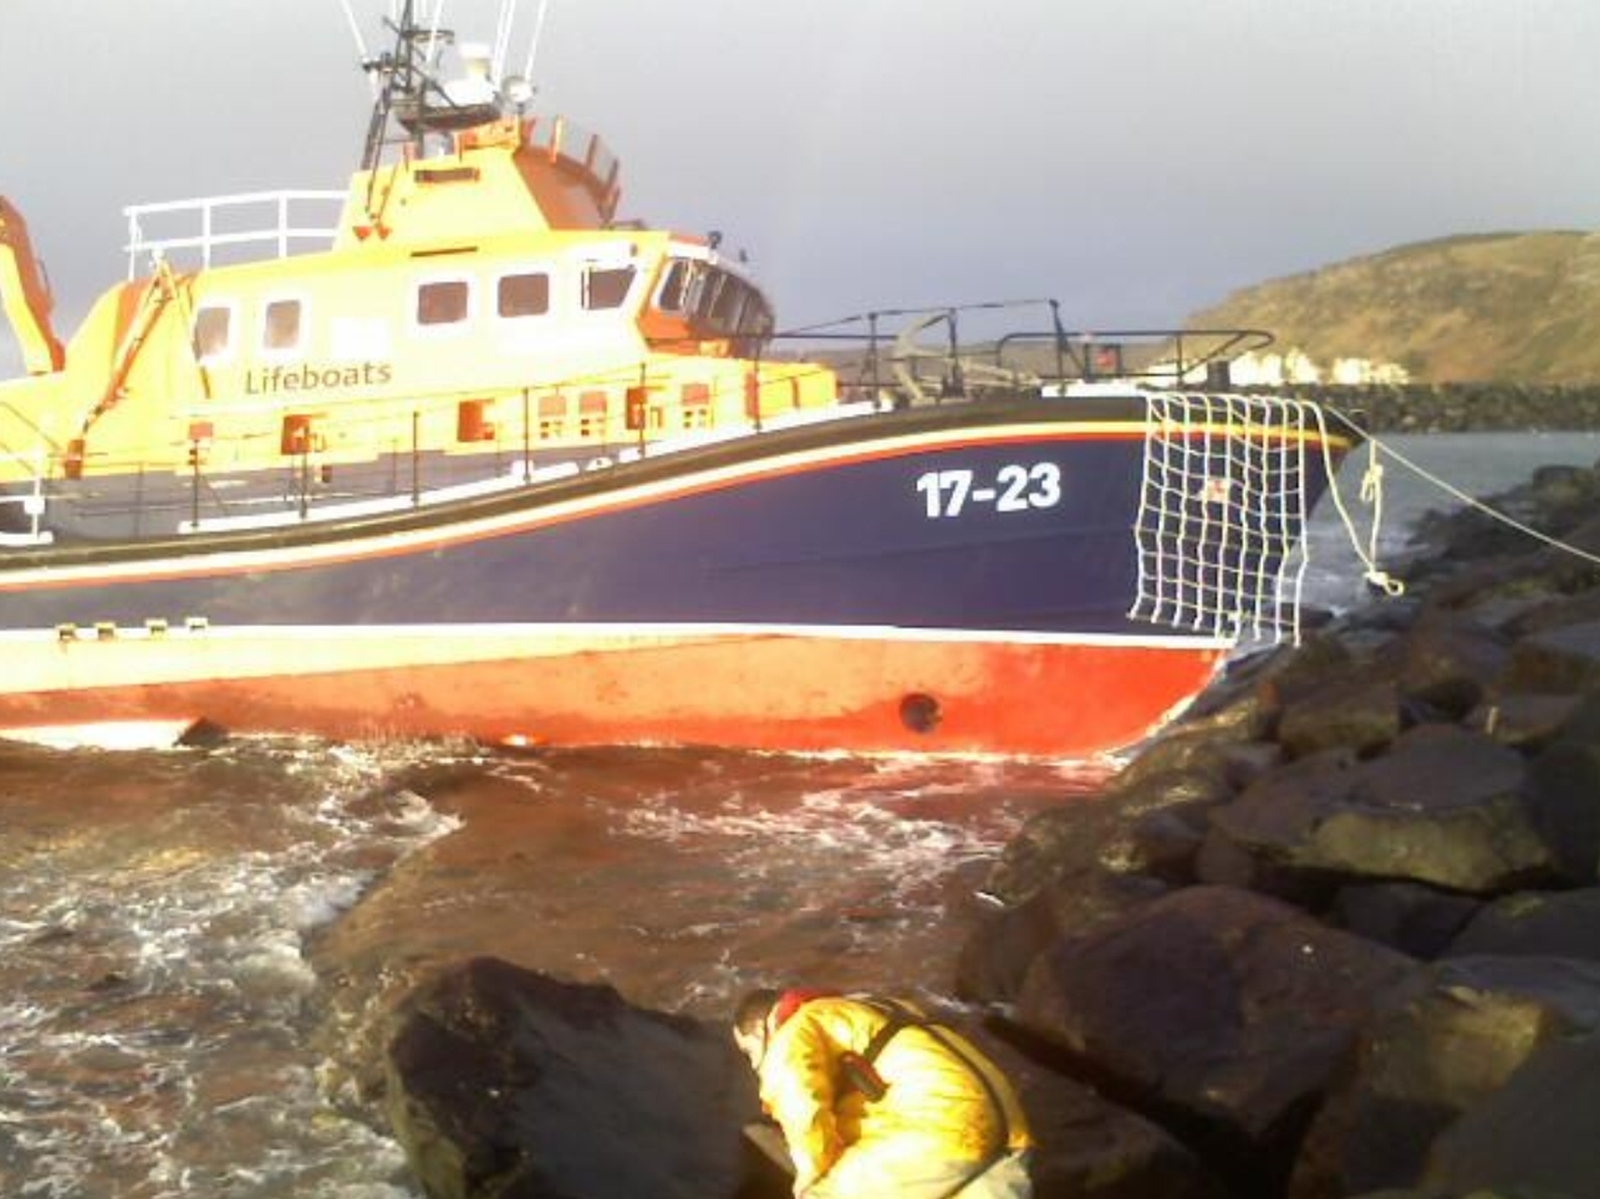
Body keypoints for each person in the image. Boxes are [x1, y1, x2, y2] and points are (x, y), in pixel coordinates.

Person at [732, 987, 1033, 1198]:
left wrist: (810, 1179)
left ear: (761, 1028)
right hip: (1008, 1129)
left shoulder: (795, 1029)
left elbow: (800, 1105)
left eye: (750, 1052)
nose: (755, 1065)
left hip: (941, 1129)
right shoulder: (873, 1007)